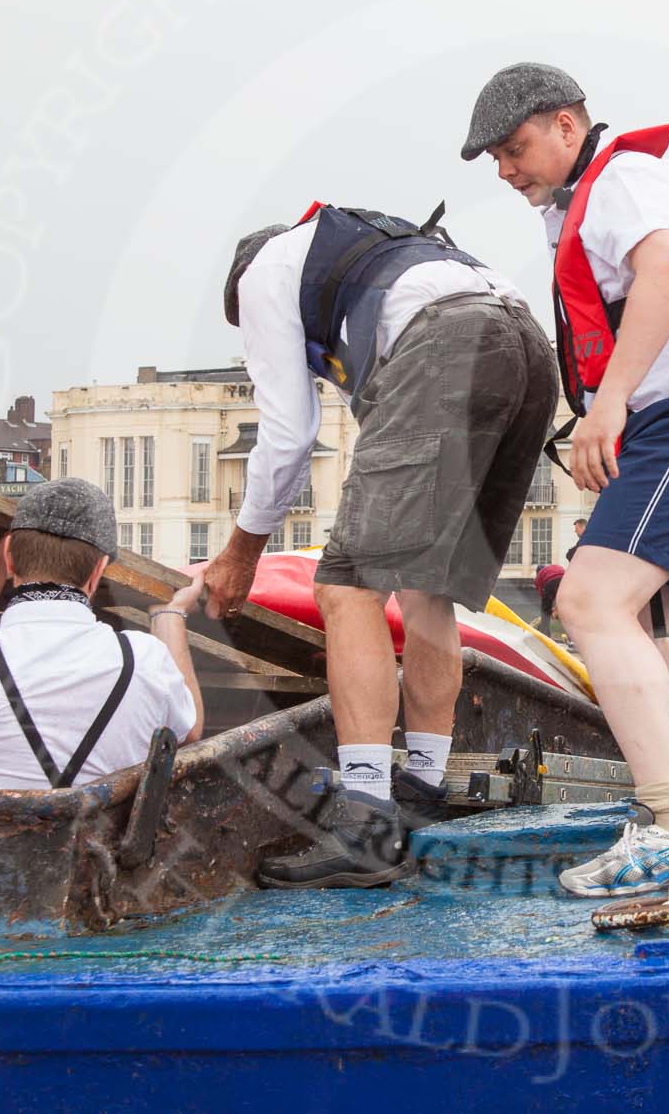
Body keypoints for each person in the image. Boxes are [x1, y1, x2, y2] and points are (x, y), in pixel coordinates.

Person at [465, 61, 669, 897]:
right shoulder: (575, 203)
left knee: (588, 600)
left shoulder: (626, 179)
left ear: (567, 124)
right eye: (494, 157)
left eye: (514, 146)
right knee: (634, 615)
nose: (505, 169)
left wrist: (608, 407)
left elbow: (668, 276)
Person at [206, 197, 558, 888]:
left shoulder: (265, 276)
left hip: (451, 346)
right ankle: (421, 798)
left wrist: (240, 551)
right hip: (526, 349)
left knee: (346, 583)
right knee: (427, 588)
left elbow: (288, 435)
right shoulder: (370, 264)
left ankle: (365, 822)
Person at [0, 481, 204, 790]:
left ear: (8, 557)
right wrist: (169, 616)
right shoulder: (143, 659)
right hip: (92, 846)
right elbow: (188, 731)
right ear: (98, 570)